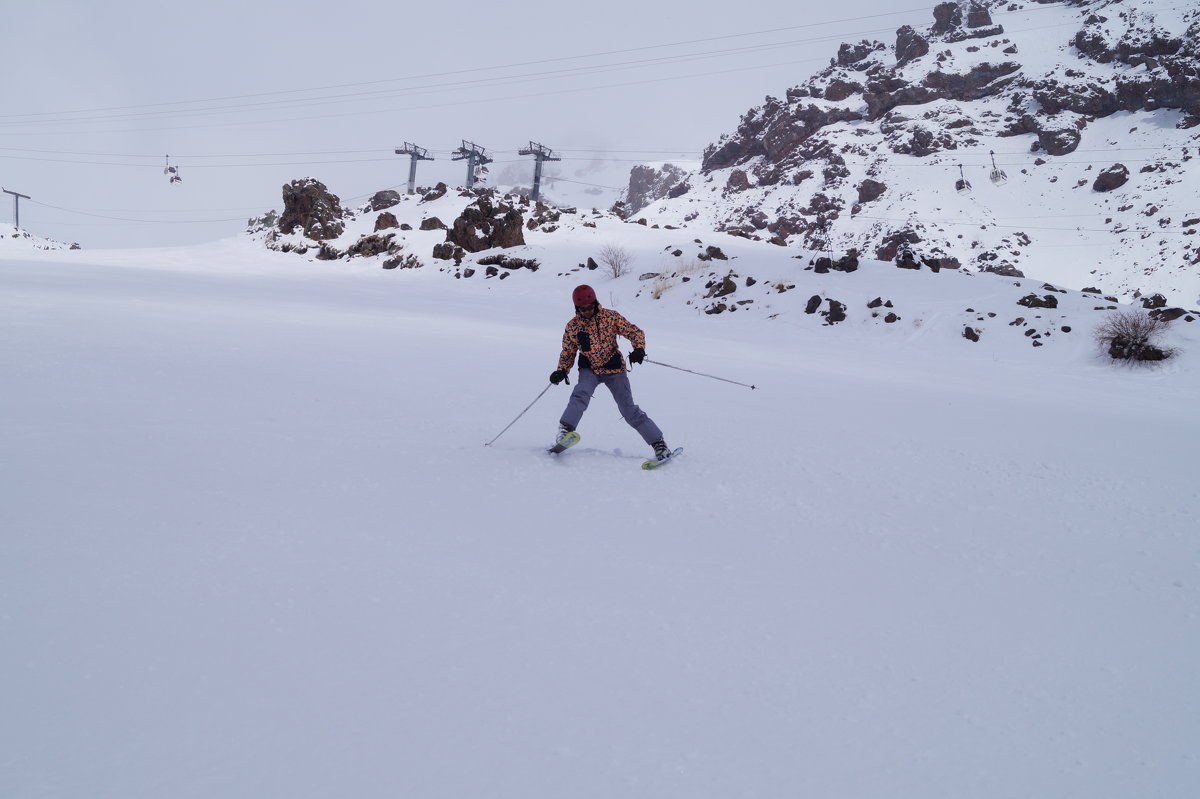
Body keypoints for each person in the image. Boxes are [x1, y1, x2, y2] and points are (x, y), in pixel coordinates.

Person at [550, 284, 671, 461]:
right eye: (583, 309)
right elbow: (568, 351)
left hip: (614, 368)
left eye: (590, 307)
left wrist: (639, 349)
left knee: (628, 409)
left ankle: (659, 444)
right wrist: (561, 370)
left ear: (596, 303)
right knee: (580, 394)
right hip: (589, 368)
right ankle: (565, 431)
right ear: (577, 308)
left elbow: (634, 332)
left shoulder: (610, 317)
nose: (587, 311)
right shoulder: (573, 326)